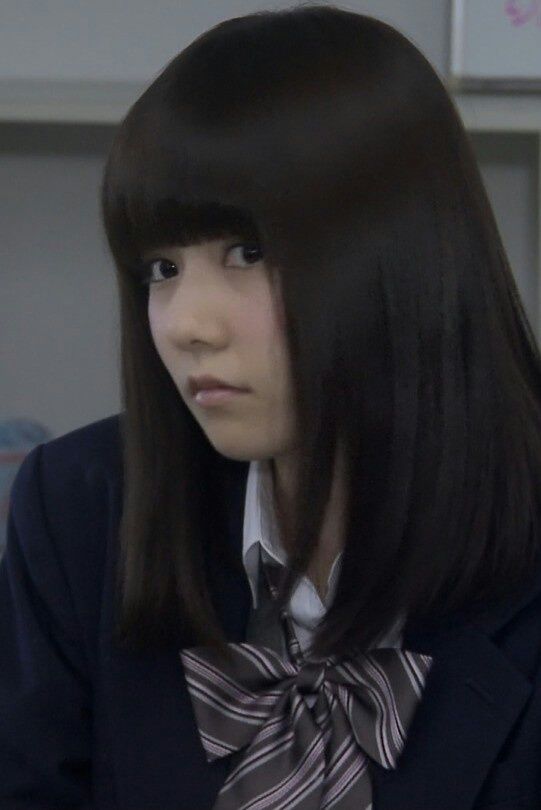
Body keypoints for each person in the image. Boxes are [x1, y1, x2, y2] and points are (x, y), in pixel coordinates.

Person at [2, 3, 541, 809]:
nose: (186, 324)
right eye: (160, 269)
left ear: (402, 255)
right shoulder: (80, 512)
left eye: (247, 253)